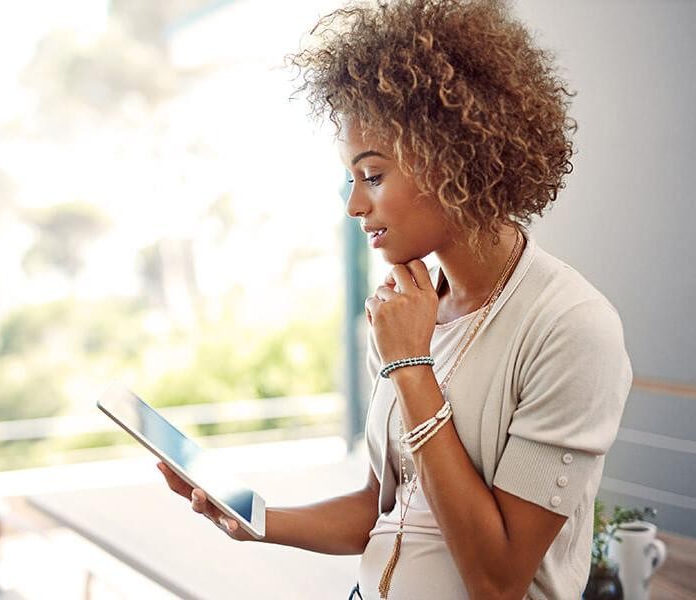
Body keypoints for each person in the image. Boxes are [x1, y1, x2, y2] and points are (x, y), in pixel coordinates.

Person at [157, 0, 633, 598]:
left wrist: (411, 365)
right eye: (351, 180)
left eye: (374, 175)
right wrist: (259, 522)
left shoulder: (570, 327)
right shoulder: (404, 310)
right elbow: (385, 507)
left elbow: (499, 577)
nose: (355, 205)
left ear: (452, 158)